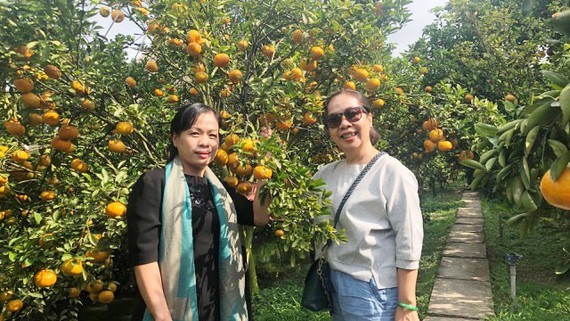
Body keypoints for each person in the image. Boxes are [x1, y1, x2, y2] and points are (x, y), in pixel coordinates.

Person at [126, 102, 270, 321]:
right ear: (175, 138)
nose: (205, 142)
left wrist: (265, 167)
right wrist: (162, 316)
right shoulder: (155, 183)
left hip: (218, 301)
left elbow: (258, 217)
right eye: (195, 133)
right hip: (172, 306)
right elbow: (144, 257)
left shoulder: (221, 191)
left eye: (213, 135)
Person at [313, 89, 423, 321]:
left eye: (353, 114)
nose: (344, 124)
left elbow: (409, 241)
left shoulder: (392, 173)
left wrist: (407, 304)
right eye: (334, 119)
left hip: (372, 289)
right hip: (335, 281)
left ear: (369, 119)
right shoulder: (324, 175)